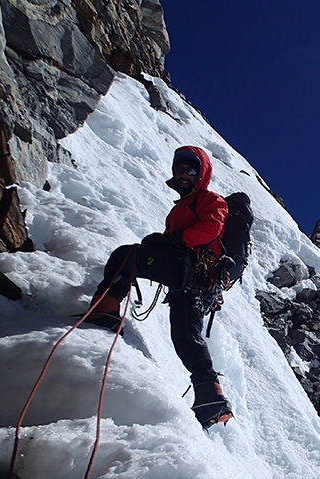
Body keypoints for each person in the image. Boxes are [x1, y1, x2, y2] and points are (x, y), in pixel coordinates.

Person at [84, 145, 233, 428]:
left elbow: (211, 229)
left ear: (201, 174)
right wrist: (169, 241)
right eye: (179, 169)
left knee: (127, 256)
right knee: (184, 334)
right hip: (195, 279)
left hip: (189, 268)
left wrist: (173, 241)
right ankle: (210, 396)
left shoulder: (210, 200)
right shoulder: (182, 206)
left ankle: (104, 311)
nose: (183, 174)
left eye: (191, 169)